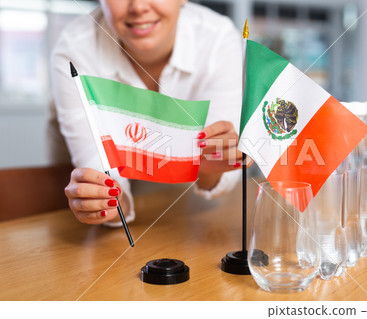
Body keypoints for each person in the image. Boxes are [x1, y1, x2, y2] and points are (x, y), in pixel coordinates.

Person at [49, 0, 246, 226]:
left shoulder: (218, 38)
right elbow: (102, 178)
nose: (139, 7)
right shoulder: (74, 49)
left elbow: (219, 176)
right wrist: (104, 200)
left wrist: (210, 162)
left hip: (179, 205)